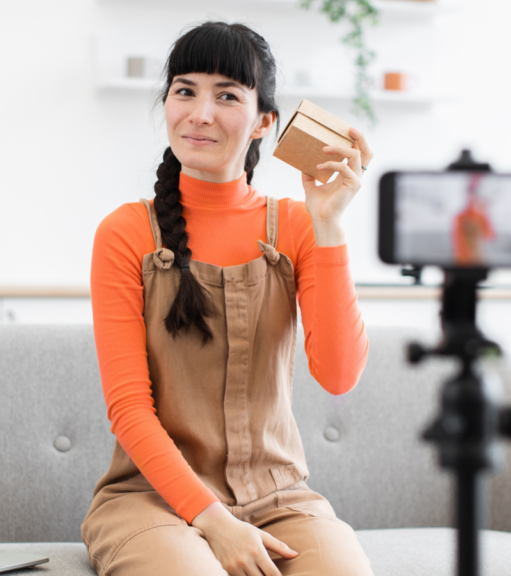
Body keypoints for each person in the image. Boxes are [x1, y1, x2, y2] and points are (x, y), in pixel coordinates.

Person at [81, 21, 375, 576]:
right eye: (185, 90)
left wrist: (330, 226)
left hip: (278, 499)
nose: (200, 113)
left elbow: (338, 375)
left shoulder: (297, 225)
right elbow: (128, 410)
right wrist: (214, 520)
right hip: (154, 500)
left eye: (227, 96)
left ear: (265, 121)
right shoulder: (126, 233)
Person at [452, 173, 495, 266]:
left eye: (475, 193)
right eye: (471, 192)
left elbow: (490, 236)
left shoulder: (481, 216)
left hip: (477, 261)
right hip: (463, 263)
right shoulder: (460, 217)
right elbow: (458, 246)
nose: (472, 197)